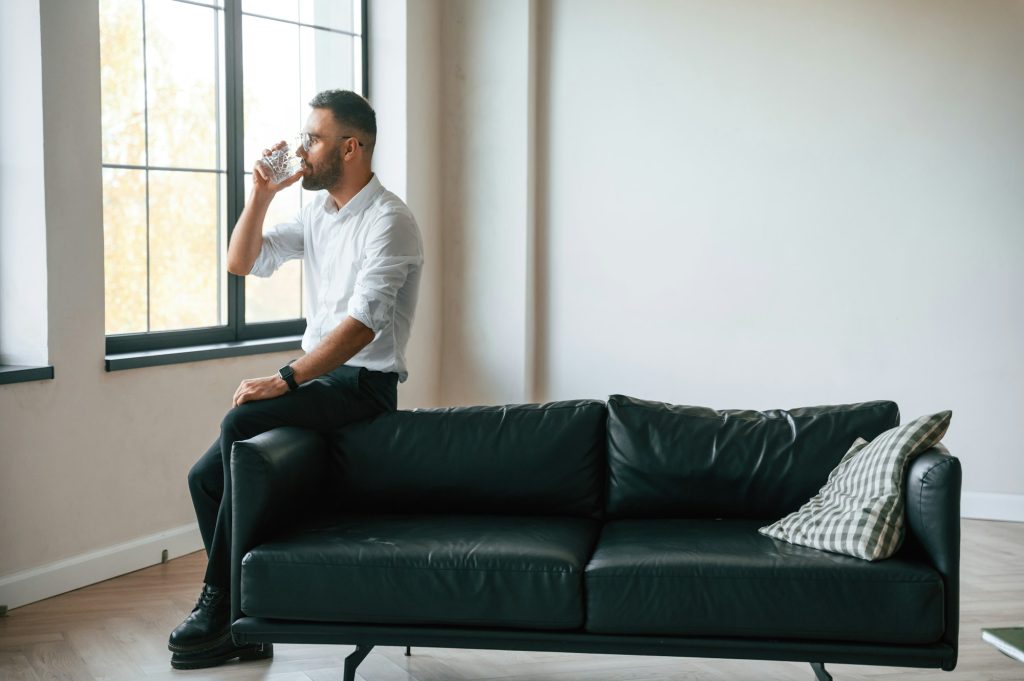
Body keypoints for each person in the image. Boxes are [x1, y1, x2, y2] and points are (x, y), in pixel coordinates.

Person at [166, 90, 423, 670]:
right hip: (320, 383)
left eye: (314, 138)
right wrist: (259, 195)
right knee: (204, 480)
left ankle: (219, 605)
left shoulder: (390, 221)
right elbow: (241, 262)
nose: (302, 150)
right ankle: (246, 619)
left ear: (351, 147)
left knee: (242, 417)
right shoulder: (317, 213)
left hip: (362, 388)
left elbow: (360, 328)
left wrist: (284, 379)